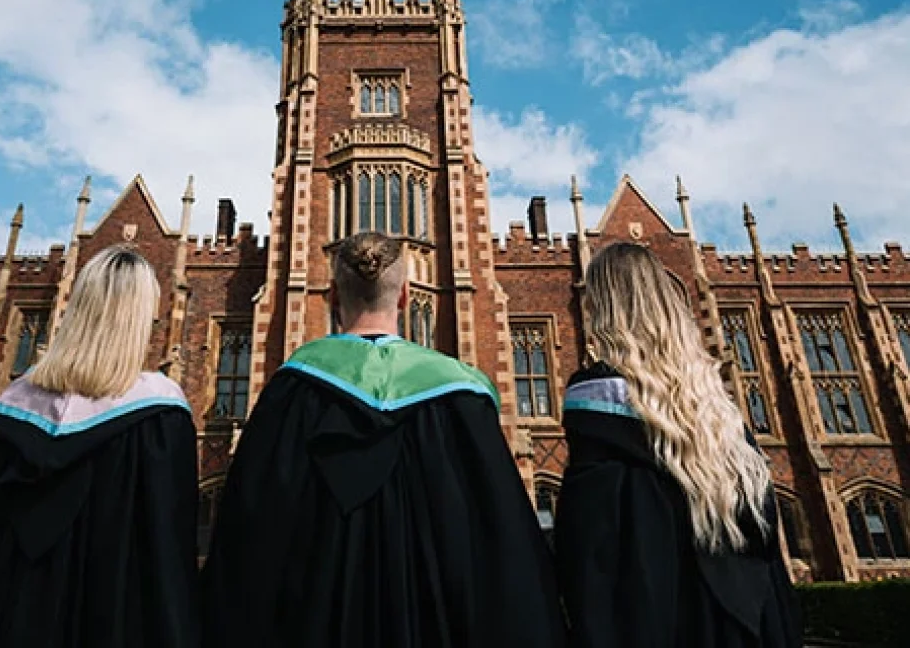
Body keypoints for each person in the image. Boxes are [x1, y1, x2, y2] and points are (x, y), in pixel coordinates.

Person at [202, 231, 567, 648]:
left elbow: (246, 551)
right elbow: (504, 551)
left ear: (334, 296)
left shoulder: (290, 398)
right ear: (405, 296)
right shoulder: (461, 400)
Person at [0, 245, 201, 648]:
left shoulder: (14, 408)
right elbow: (166, 553)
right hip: (107, 620)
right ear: (140, 320)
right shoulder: (159, 415)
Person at [555, 242, 802, 648]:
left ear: (605, 308)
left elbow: (590, 547)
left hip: (659, 620)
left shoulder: (594, 403)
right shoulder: (721, 416)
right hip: (742, 625)